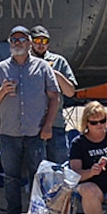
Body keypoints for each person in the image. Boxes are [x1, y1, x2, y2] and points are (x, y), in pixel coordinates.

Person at [0, 25, 60, 214]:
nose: (17, 43)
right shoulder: (0, 69)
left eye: (21, 40)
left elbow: (54, 98)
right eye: (13, 40)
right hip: (10, 133)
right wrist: (2, 91)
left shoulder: (43, 67)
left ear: (29, 43)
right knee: (11, 177)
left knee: (39, 176)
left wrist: (47, 125)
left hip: (35, 132)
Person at [29, 25, 79, 164]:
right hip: (32, 126)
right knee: (34, 169)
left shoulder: (58, 62)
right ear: (31, 42)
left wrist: (55, 75)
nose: (41, 45)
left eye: (44, 41)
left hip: (56, 124)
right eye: (37, 41)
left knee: (59, 166)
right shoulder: (24, 62)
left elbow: (70, 92)